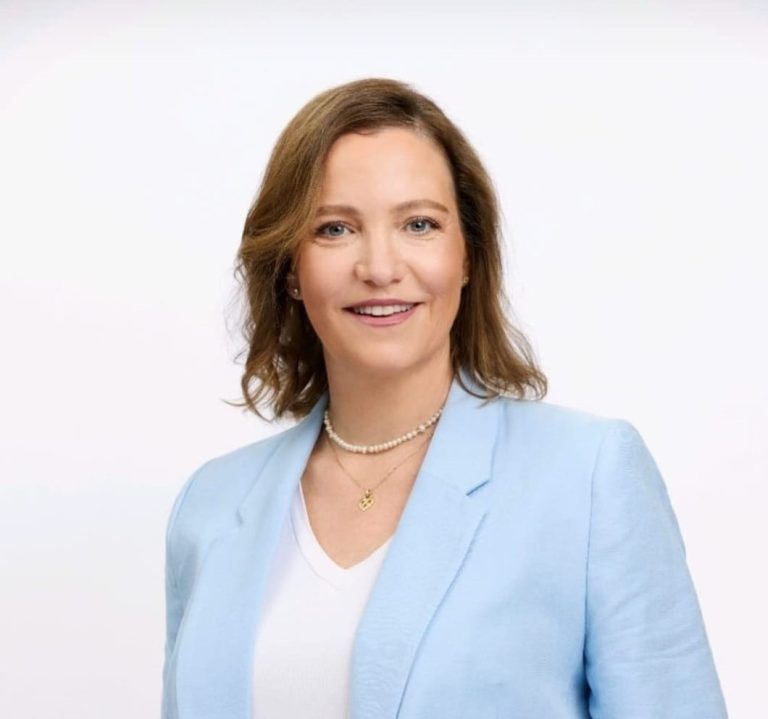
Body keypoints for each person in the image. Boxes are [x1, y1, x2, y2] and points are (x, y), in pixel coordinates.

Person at [161, 78, 727, 719]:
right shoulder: (209, 504)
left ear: (468, 256)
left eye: (419, 224)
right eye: (335, 228)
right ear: (290, 268)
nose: (380, 267)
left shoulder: (588, 477)